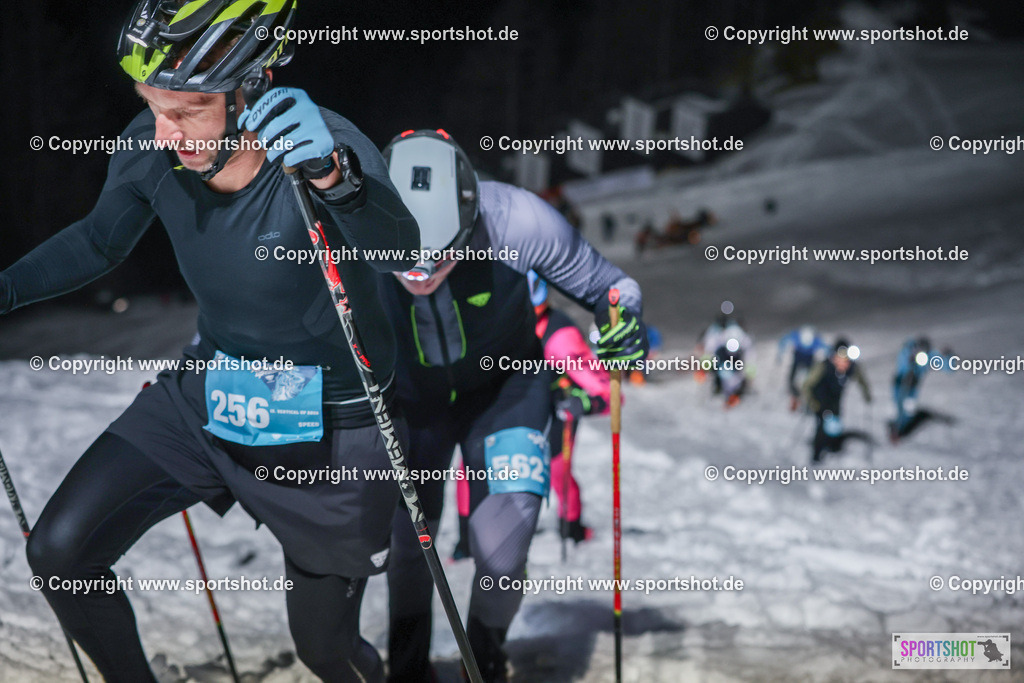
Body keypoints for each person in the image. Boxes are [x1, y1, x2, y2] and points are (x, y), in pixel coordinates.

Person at [4, 2, 420, 680]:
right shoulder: (153, 146)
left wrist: (336, 179)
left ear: (251, 87)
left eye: (189, 110)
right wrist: (6, 289)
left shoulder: (324, 146)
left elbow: (399, 248)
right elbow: (97, 239)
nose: (166, 133)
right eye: (153, 106)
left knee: (325, 649)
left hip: (332, 427)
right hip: (210, 394)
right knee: (59, 552)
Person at [378, 130, 647, 682]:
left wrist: (623, 324)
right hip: (410, 399)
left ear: (470, 214)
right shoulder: (346, 217)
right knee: (409, 543)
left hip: (507, 388)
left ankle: (485, 656)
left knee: (507, 537)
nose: (422, 275)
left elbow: (611, 287)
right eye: (406, 262)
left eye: (440, 257)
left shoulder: (518, 220)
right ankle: (406, 670)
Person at [803, 339, 872, 464]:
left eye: (845, 356)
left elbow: (861, 379)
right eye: (839, 356)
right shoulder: (824, 366)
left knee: (836, 423)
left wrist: (866, 394)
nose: (842, 360)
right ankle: (816, 455)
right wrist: (812, 402)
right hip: (820, 398)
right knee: (823, 424)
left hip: (836, 398)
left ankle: (833, 447)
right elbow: (807, 385)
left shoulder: (851, 367)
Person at [890, 337, 953, 441]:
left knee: (909, 409)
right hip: (900, 384)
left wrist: (948, 356)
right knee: (899, 408)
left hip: (913, 387)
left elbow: (947, 367)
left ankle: (902, 430)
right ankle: (896, 431)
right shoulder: (907, 351)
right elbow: (902, 362)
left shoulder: (927, 357)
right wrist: (910, 358)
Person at [699, 312, 755, 407]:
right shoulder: (721, 336)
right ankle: (723, 390)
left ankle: (733, 395)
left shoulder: (743, 339)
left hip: (736, 358)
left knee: (735, 377)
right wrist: (705, 366)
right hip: (724, 358)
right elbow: (710, 349)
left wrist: (750, 372)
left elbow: (750, 355)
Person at [778, 325, 831, 411]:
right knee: (791, 379)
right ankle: (795, 396)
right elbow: (783, 341)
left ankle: (808, 402)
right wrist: (780, 353)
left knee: (810, 380)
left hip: (809, 359)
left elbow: (826, 348)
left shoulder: (816, 340)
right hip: (798, 358)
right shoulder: (795, 336)